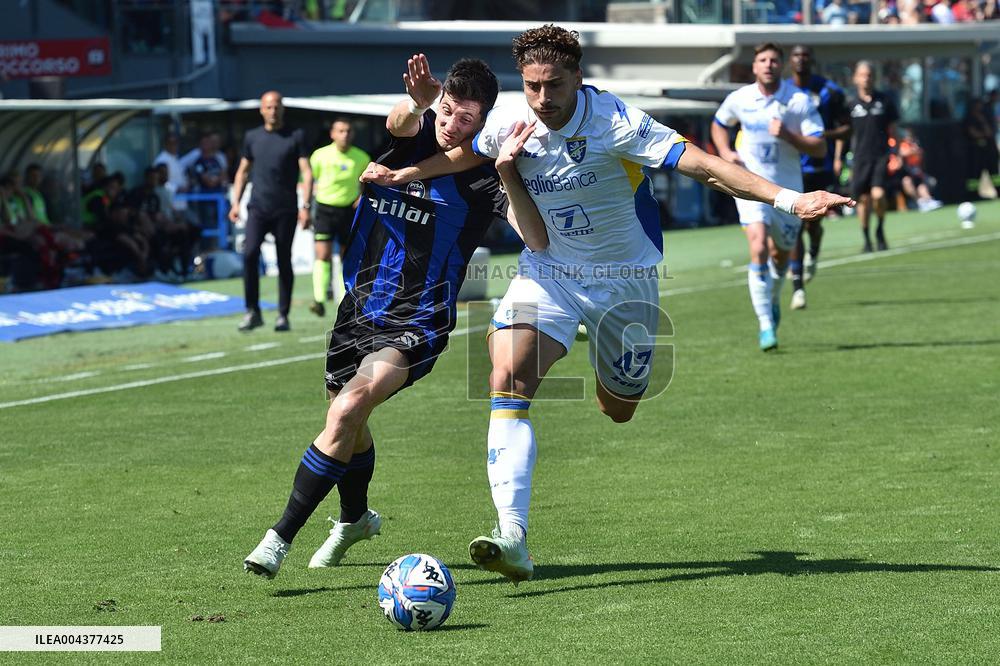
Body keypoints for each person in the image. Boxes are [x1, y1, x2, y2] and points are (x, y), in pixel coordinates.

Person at [363, 25, 851, 583]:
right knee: (506, 376)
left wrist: (790, 199)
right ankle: (513, 536)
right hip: (548, 272)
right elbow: (464, 153)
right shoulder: (510, 119)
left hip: (624, 282)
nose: (542, 100)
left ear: (578, 77)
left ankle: (596, 358)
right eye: (531, 86)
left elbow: (708, 168)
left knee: (617, 408)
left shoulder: (616, 123)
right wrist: (407, 172)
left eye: (553, 86)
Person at [243, 56, 548, 579]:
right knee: (345, 417)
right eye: (448, 111)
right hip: (357, 309)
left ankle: (278, 538)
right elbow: (398, 124)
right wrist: (418, 101)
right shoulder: (418, 132)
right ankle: (355, 519)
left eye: (466, 120)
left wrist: (506, 172)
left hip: (418, 320)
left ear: (485, 124)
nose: (451, 124)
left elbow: (536, 238)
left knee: (347, 409)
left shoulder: (484, 180)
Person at [713, 43, 826, 348]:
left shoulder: (799, 100)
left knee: (780, 256)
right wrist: (725, 152)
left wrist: (789, 136)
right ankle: (765, 325)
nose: (768, 65)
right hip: (750, 186)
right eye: (762, 60)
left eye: (774, 60)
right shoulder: (740, 98)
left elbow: (820, 146)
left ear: (782, 66)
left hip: (788, 191)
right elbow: (719, 124)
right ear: (754, 67)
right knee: (759, 246)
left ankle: (772, 300)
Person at [229, 91, 313, 332]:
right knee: (250, 254)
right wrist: (235, 202)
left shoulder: (296, 136)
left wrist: (305, 206)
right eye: (268, 106)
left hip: (285, 209)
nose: (273, 110)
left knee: (284, 260)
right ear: (261, 109)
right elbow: (243, 171)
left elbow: (306, 172)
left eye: (276, 106)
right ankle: (252, 310)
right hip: (257, 207)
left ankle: (282, 315)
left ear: (282, 109)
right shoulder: (252, 137)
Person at [785, 44, 851, 309]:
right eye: (796, 55)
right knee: (795, 225)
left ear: (812, 60)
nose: (801, 59)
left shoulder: (829, 91)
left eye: (805, 55)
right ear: (790, 61)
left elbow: (848, 128)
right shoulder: (782, 92)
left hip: (818, 168)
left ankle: (813, 252)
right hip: (790, 169)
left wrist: (825, 138)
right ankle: (798, 286)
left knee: (813, 224)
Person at [307, 118, 371, 317]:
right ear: (332, 134)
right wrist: (305, 206)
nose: (345, 134)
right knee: (322, 255)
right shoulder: (319, 156)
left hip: (349, 211)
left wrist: (362, 196)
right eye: (341, 131)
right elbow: (311, 179)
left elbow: (368, 183)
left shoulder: (362, 157)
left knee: (348, 256)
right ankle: (318, 299)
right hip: (325, 210)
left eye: (348, 131)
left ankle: (348, 297)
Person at [837, 61, 899, 252]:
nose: (866, 78)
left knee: (878, 195)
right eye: (862, 75)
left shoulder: (885, 101)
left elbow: (893, 130)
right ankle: (866, 238)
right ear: (856, 78)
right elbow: (843, 133)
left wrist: (896, 153)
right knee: (862, 200)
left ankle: (879, 227)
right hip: (859, 158)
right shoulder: (850, 103)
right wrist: (838, 158)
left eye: (869, 75)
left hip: (880, 156)